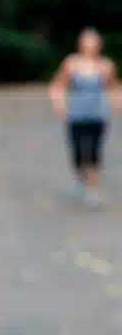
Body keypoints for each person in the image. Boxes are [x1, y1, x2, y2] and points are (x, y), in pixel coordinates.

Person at [49, 27, 119, 206]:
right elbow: (58, 85)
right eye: (87, 42)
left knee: (94, 152)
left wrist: (117, 103)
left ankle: (92, 190)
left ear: (99, 45)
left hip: (97, 115)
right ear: (80, 44)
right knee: (78, 152)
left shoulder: (105, 66)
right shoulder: (71, 64)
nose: (90, 46)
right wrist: (59, 104)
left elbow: (113, 88)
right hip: (76, 115)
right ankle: (80, 177)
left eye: (93, 42)